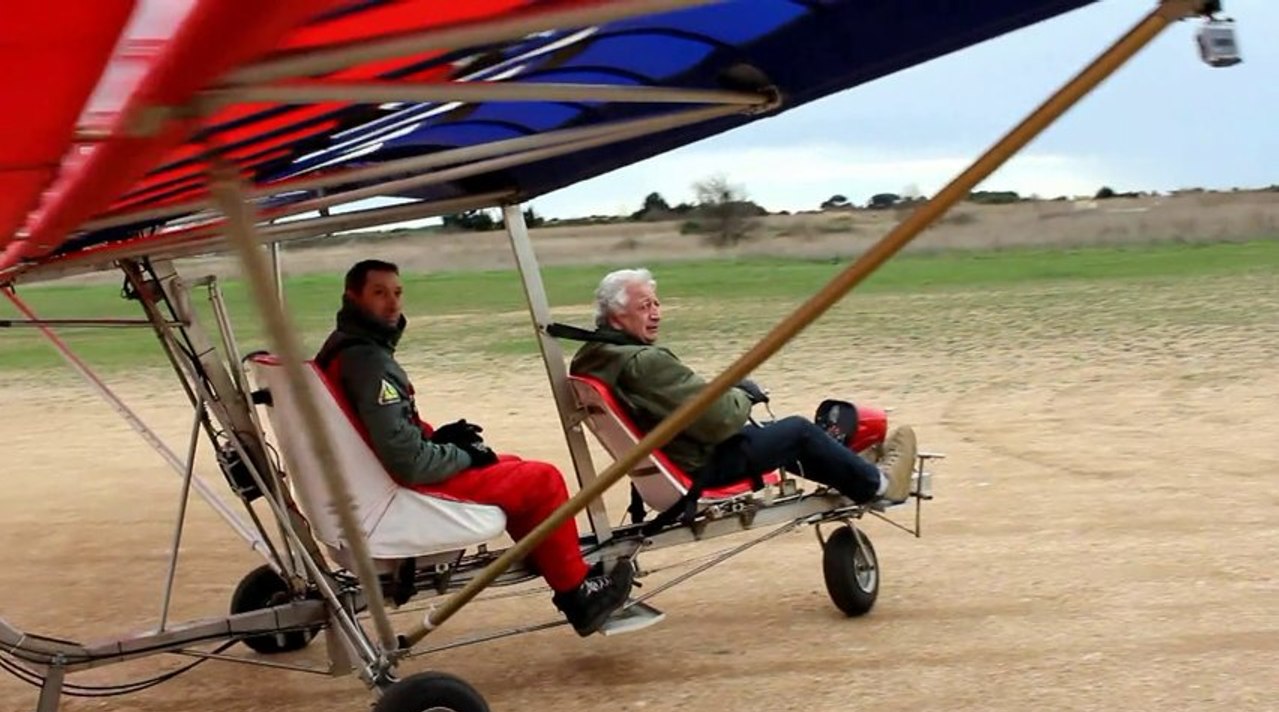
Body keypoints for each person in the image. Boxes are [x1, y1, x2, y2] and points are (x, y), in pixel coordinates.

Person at [315, 259, 631, 637]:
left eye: (397, 292)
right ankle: (579, 594)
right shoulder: (369, 363)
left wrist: (439, 439)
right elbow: (409, 462)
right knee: (543, 480)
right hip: (398, 487)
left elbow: (387, 431)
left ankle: (561, 567)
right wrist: (463, 454)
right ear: (353, 297)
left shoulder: (345, 349)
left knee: (509, 463)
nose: (393, 303)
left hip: (372, 480)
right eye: (379, 293)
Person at [569, 268, 918, 511]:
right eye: (644, 306)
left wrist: (722, 391)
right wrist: (743, 395)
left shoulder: (594, 357)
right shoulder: (641, 361)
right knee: (797, 431)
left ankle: (852, 469)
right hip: (701, 465)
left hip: (672, 460)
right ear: (616, 317)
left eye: (656, 303)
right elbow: (719, 419)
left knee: (778, 434)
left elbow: (678, 402)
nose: (656, 313)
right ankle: (881, 486)